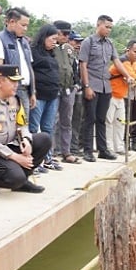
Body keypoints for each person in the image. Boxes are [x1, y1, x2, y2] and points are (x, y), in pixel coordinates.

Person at [0, 65, 48, 194]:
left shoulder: (14, 100)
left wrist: (26, 140)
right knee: (15, 177)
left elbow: (22, 125)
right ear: (0, 82)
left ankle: (22, 181)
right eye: (13, 81)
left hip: (5, 148)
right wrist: (15, 157)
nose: (16, 85)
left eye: (17, 81)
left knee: (43, 140)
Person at [78, 15, 133, 162]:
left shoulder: (110, 44)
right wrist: (87, 86)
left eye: (110, 28)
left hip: (105, 87)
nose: (109, 30)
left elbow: (116, 62)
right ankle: (87, 150)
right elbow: (83, 65)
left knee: (101, 119)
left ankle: (103, 150)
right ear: (98, 25)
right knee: (90, 118)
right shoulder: (88, 42)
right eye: (106, 27)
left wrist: (127, 75)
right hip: (92, 85)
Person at [0, 7, 35, 125]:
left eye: (27, 26)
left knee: (23, 127)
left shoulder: (25, 42)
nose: (25, 29)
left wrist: (32, 92)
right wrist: (7, 95)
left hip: (25, 91)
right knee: (8, 127)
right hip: (9, 92)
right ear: (12, 22)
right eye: (23, 25)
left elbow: (29, 68)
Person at [29, 23, 62, 172]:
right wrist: (32, 92)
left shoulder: (52, 53)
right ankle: (32, 162)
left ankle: (47, 158)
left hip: (53, 95)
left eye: (56, 39)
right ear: (44, 37)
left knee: (48, 128)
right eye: (53, 38)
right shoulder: (33, 51)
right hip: (39, 95)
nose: (55, 41)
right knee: (34, 128)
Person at [107, 40, 136, 155]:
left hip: (121, 96)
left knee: (120, 122)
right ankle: (109, 148)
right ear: (128, 50)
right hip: (111, 95)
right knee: (109, 122)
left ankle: (118, 147)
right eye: (135, 52)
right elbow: (133, 76)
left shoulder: (135, 63)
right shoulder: (123, 61)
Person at [52, 21, 81, 164]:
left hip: (68, 89)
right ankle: (50, 153)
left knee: (66, 121)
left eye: (68, 33)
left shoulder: (69, 49)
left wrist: (76, 85)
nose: (65, 36)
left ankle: (66, 151)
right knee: (51, 121)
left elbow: (74, 67)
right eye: (63, 33)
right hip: (54, 89)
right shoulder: (49, 47)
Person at [67, 31, 85, 158]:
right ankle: (60, 147)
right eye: (75, 41)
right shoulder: (64, 53)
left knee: (76, 120)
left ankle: (74, 146)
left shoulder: (79, 56)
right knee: (64, 120)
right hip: (67, 90)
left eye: (80, 42)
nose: (78, 44)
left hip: (79, 91)